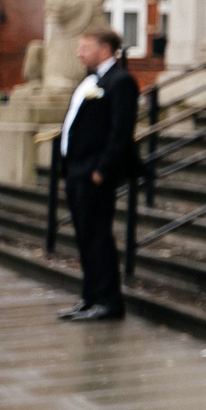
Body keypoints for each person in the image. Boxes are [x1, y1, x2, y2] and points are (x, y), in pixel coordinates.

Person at [57, 25, 138, 323]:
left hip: (94, 173)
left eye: (85, 47)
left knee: (98, 238)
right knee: (84, 237)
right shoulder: (91, 80)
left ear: (104, 49)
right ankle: (89, 297)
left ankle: (109, 302)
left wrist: (102, 171)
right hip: (76, 170)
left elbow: (121, 132)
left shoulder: (120, 81)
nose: (79, 52)